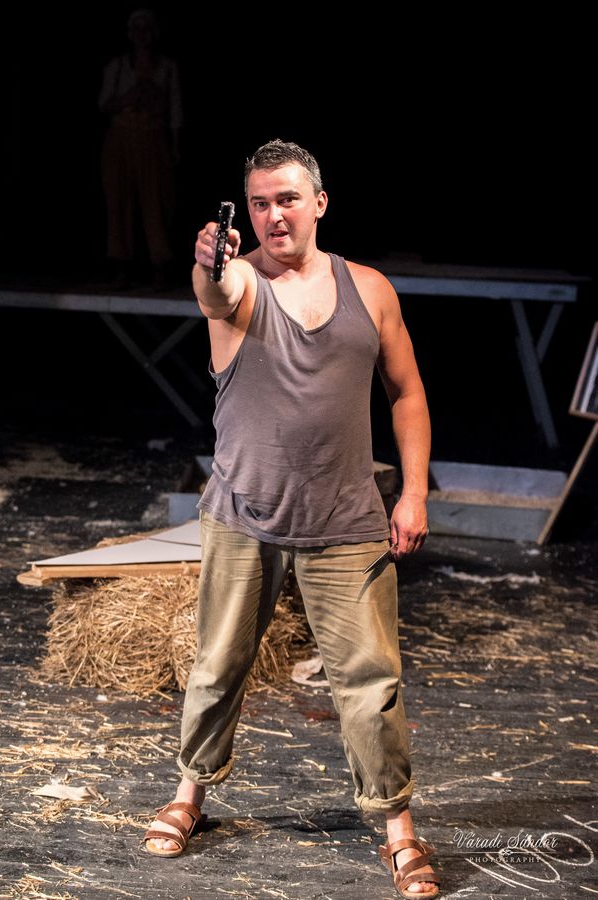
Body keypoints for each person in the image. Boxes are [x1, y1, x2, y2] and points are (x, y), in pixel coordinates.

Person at [142, 140, 440, 898]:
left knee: (370, 681)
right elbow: (214, 293)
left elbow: (406, 392)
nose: (273, 215)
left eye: (287, 199)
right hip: (244, 512)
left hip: (347, 518)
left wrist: (412, 493)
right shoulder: (241, 281)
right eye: (259, 203)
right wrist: (208, 262)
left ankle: (397, 828)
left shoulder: (369, 289)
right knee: (217, 666)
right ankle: (189, 793)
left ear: (319, 203)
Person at [98, 9, 182, 289]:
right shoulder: (119, 67)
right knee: (119, 200)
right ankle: (120, 263)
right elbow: (104, 104)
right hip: (121, 137)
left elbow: (175, 110)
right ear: (130, 34)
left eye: (147, 29)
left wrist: (175, 146)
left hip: (152, 137)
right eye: (137, 29)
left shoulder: (166, 67)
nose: (142, 35)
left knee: (155, 200)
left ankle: (160, 264)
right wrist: (129, 97)